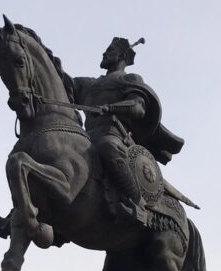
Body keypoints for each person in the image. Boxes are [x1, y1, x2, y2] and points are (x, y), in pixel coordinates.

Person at [72, 37, 186, 224]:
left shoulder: (130, 79)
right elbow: (61, 80)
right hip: (86, 137)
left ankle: (137, 205)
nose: (104, 53)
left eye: (109, 50)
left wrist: (111, 108)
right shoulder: (88, 84)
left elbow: (138, 107)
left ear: (122, 56)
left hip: (114, 136)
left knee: (107, 146)